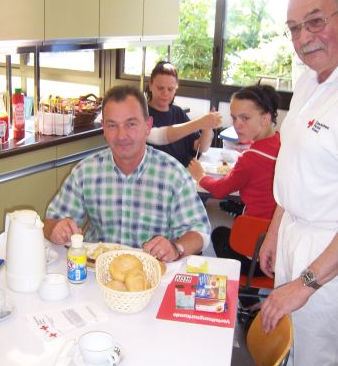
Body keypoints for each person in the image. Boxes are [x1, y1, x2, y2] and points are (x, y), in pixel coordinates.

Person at [259, 0, 338, 366]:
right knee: (287, 359)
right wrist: (275, 230)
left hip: (326, 255)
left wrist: (306, 282)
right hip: (293, 233)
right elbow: (291, 167)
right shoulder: (308, 83)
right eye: (293, 28)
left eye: (314, 22)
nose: (303, 38)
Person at [44, 85, 210, 263]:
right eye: (112, 125)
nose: (121, 135)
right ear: (104, 129)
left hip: (150, 275)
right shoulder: (85, 171)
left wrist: (176, 248)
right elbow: (50, 222)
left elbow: (200, 232)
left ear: (148, 126)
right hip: (97, 273)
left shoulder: (173, 174)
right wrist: (55, 229)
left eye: (131, 124)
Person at [188, 84, 280, 275]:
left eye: (245, 118)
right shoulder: (280, 142)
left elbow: (220, 190)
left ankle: (248, 299)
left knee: (219, 234)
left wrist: (200, 176)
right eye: (234, 118)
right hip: (279, 241)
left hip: (259, 252)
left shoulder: (251, 158)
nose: (237, 124)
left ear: (265, 118)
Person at [146, 61, 215, 167]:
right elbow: (161, 136)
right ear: (150, 85)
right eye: (160, 88)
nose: (165, 93)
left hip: (182, 173)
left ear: (176, 88)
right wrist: (199, 123)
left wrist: (207, 127)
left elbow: (201, 147)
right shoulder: (141, 113)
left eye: (170, 89)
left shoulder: (178, 113)